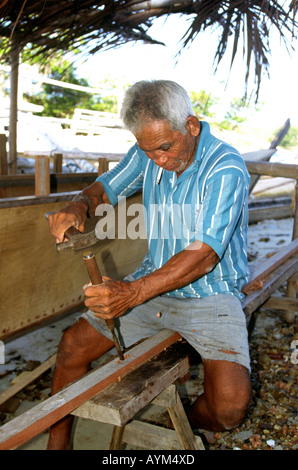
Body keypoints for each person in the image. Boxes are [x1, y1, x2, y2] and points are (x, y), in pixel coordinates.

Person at [47, 80, 252, 450]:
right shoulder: (148, 151)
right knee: (72, 346)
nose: (158, 161)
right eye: (148, 151)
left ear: (191, 125)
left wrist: (132, 293)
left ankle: (189, 419)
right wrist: (79, 203)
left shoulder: (226, 167)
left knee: (229, 409)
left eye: (164, 148)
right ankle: (57, 441)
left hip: (212, 293)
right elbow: (106, 187)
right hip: (154, 286)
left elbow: (205, 255)